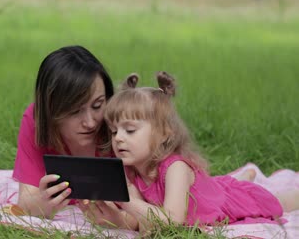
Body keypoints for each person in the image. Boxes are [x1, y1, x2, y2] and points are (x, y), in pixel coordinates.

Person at [80, 71, 299, 231]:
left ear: (164, 133)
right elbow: (144, 221)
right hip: (208, 194)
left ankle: (247, 182)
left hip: (228, 203)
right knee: (221, 184)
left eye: (129, 130)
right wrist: (117, 218)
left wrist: (128, 201)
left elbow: (172, 219)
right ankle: (242, 177)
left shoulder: (175, 168)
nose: (118, 138)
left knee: (279, 202)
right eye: (113, 131)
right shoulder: (130, 171)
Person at [12, 45, 132, 221]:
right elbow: (26, 203)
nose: (90, 122)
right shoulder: (35, 120)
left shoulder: (122, 123)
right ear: (50, 111)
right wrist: (41, 204)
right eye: (75, 111)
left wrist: (121, 221)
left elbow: (157, 206)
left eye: (97, 105)